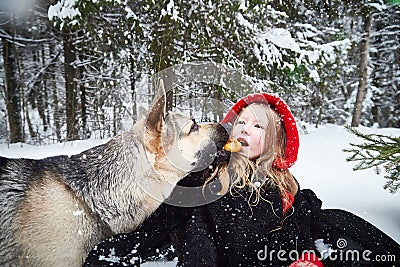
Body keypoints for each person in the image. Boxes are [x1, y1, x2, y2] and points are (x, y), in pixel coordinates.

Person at [85, 92, 400, 267]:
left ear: (274, 144)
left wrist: (303, 251)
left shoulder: (284, 187)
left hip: (273, 256)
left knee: (336, 222)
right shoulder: (206, 177)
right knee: (196, 226)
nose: (245, 129)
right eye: (241, 122)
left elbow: (300, 225)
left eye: (258, 126)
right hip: (216, 252)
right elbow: (169, 222)